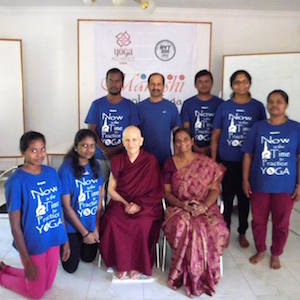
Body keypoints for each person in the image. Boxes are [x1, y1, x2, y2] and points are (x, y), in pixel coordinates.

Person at [0, 131, 70, 299]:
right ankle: (2, 276)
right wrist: (27, 259)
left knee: (47, 284)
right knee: (36, 292)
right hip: (33, 242)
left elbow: (58, 207)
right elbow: (15, 226)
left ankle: (7, 268)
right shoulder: (16, 182)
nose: (40, 154)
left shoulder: (52, 173)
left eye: (42, 149)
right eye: (33, 150)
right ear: (23, 152)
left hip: (53, 237)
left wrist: (65, 240)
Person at [162, 128, 229, 297]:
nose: (182, 143)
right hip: (179, 207)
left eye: (185, 139)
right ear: (174, 143)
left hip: (205, 207)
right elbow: (166, 192)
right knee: (182, 225)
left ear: (192, 141)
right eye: (178, 140)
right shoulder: (169, 164)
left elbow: (214, 190)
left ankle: (205, 274)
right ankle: (182, 273)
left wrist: (204, 206)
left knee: (216, 229)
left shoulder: (206, 163)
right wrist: (182, 205)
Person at [242, 89, 300, 269]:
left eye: (279, 101)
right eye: (271, 101)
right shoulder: (258, 127)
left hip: (285, 186)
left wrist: (299, 184)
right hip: (260, 183)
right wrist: (245, 180)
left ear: (286, 105)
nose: (274, 105)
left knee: (281, 223)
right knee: (258, 221)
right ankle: (260, 249)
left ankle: (276, 253)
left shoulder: (296, 128)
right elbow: (248, 155)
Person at [211, 70, 266, 248]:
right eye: (237, 82)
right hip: (226, 161)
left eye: (244, 81)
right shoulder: (224, 107)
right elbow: (216, 135)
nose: (241, 85)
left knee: (244, 200)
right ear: (231, 85)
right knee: (227, 199)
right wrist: (213, 161)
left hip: (248, 163)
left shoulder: (257, 107)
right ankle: (225, 231)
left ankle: (242, 232)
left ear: (250, 83)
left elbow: (262, 134)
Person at [100, 126, 163, 279]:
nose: (131, 143)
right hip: (121, 202)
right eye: (127, 140)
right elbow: (111, 190)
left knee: (142, 225)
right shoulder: (117, 161)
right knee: (113, 221)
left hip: (146, 204)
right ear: (123, 142)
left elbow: (156, 190)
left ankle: (137, 265)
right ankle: (121, 264)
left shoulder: (150, 161)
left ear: (141, 141)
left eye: (134, 139)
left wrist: (139, 205)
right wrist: (126, 203)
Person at [58, 129, 104, 273]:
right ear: (76, 146)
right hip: (72, 225)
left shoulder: (96, 166)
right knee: (70, 267)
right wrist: (85, 233)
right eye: (84, 145)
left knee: (89, 258)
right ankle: (64, 242)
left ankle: (85, 238)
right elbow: (66, 207)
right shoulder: (66, 170)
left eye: (92, 146)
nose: (88, 149)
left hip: (90, 222)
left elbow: (98, 201)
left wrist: (96, 227)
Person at [85, 68, 139, 182]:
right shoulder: (97, 105)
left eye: (117, 81)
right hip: (99, 157)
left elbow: (134, 133)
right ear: (106, 82)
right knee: (99, 191)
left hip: (123, 157)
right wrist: (104, 150)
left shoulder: (130, 106)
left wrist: (115, 150)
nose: (114, 84)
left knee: (120, 192)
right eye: (111, 80)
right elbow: (91, 131)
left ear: (122, 83)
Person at [138, 73, 181, 166]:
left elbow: (177, 135)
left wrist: (178, 158)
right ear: (148, 86)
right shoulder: (139, 107)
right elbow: (134, 134)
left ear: (163, 86)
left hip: (166, 160)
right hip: (143, 160)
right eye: (153, 84)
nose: (155, 87)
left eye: (158, 84)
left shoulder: (171, 107)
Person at [181, 70, 223, 156]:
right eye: (200, 82)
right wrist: (193, 146)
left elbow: (222, 129)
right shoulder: (188, 103)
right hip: (192, 150)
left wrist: (211, 146)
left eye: (206, 81)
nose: (203, 85)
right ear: (195, 84)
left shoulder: (221, 104)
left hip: (215, 150)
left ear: (212, 83)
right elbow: (186, 128)